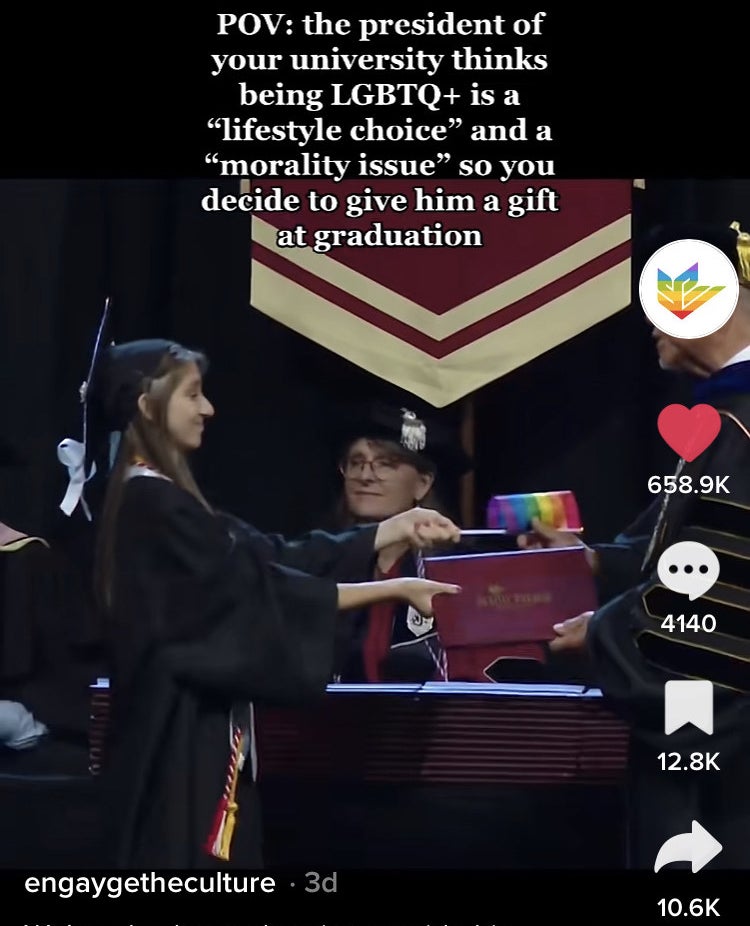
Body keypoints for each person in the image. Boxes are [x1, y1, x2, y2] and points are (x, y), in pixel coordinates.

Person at [58, 327, 462, 870]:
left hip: (193, 728)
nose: (209, 408)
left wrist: (386, 533)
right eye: (192, 393)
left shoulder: (163, 497)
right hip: (176, 738)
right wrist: (392, 586)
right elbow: (255, 590)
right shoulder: (152, 504)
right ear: (148, 404)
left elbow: (266, 555)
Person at [519, 221, 750, 869]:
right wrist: (593, 561)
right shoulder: (726, 418)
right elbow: (687, 549)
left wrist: (602, 635)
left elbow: (720, 600)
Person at [329, 401, 472, 683]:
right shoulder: (326, 562)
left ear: (422, 483)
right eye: (356, 463)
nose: (365, 476)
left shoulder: (456, 571)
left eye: (386, 464)